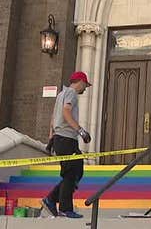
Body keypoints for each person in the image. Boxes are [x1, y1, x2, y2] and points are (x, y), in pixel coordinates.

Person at [41, 71, 93, 219]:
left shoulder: (61, 94)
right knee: (72, 173)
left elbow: (53, 117)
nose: (85, 89)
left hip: (60, 138)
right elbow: (66, 112)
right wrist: (81, 131)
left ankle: (51, 199)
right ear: (81, 82)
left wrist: (51, 137)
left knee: (74, 171)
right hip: (66, 138)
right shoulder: (71, 94)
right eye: (85, 85)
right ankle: (63, 207)